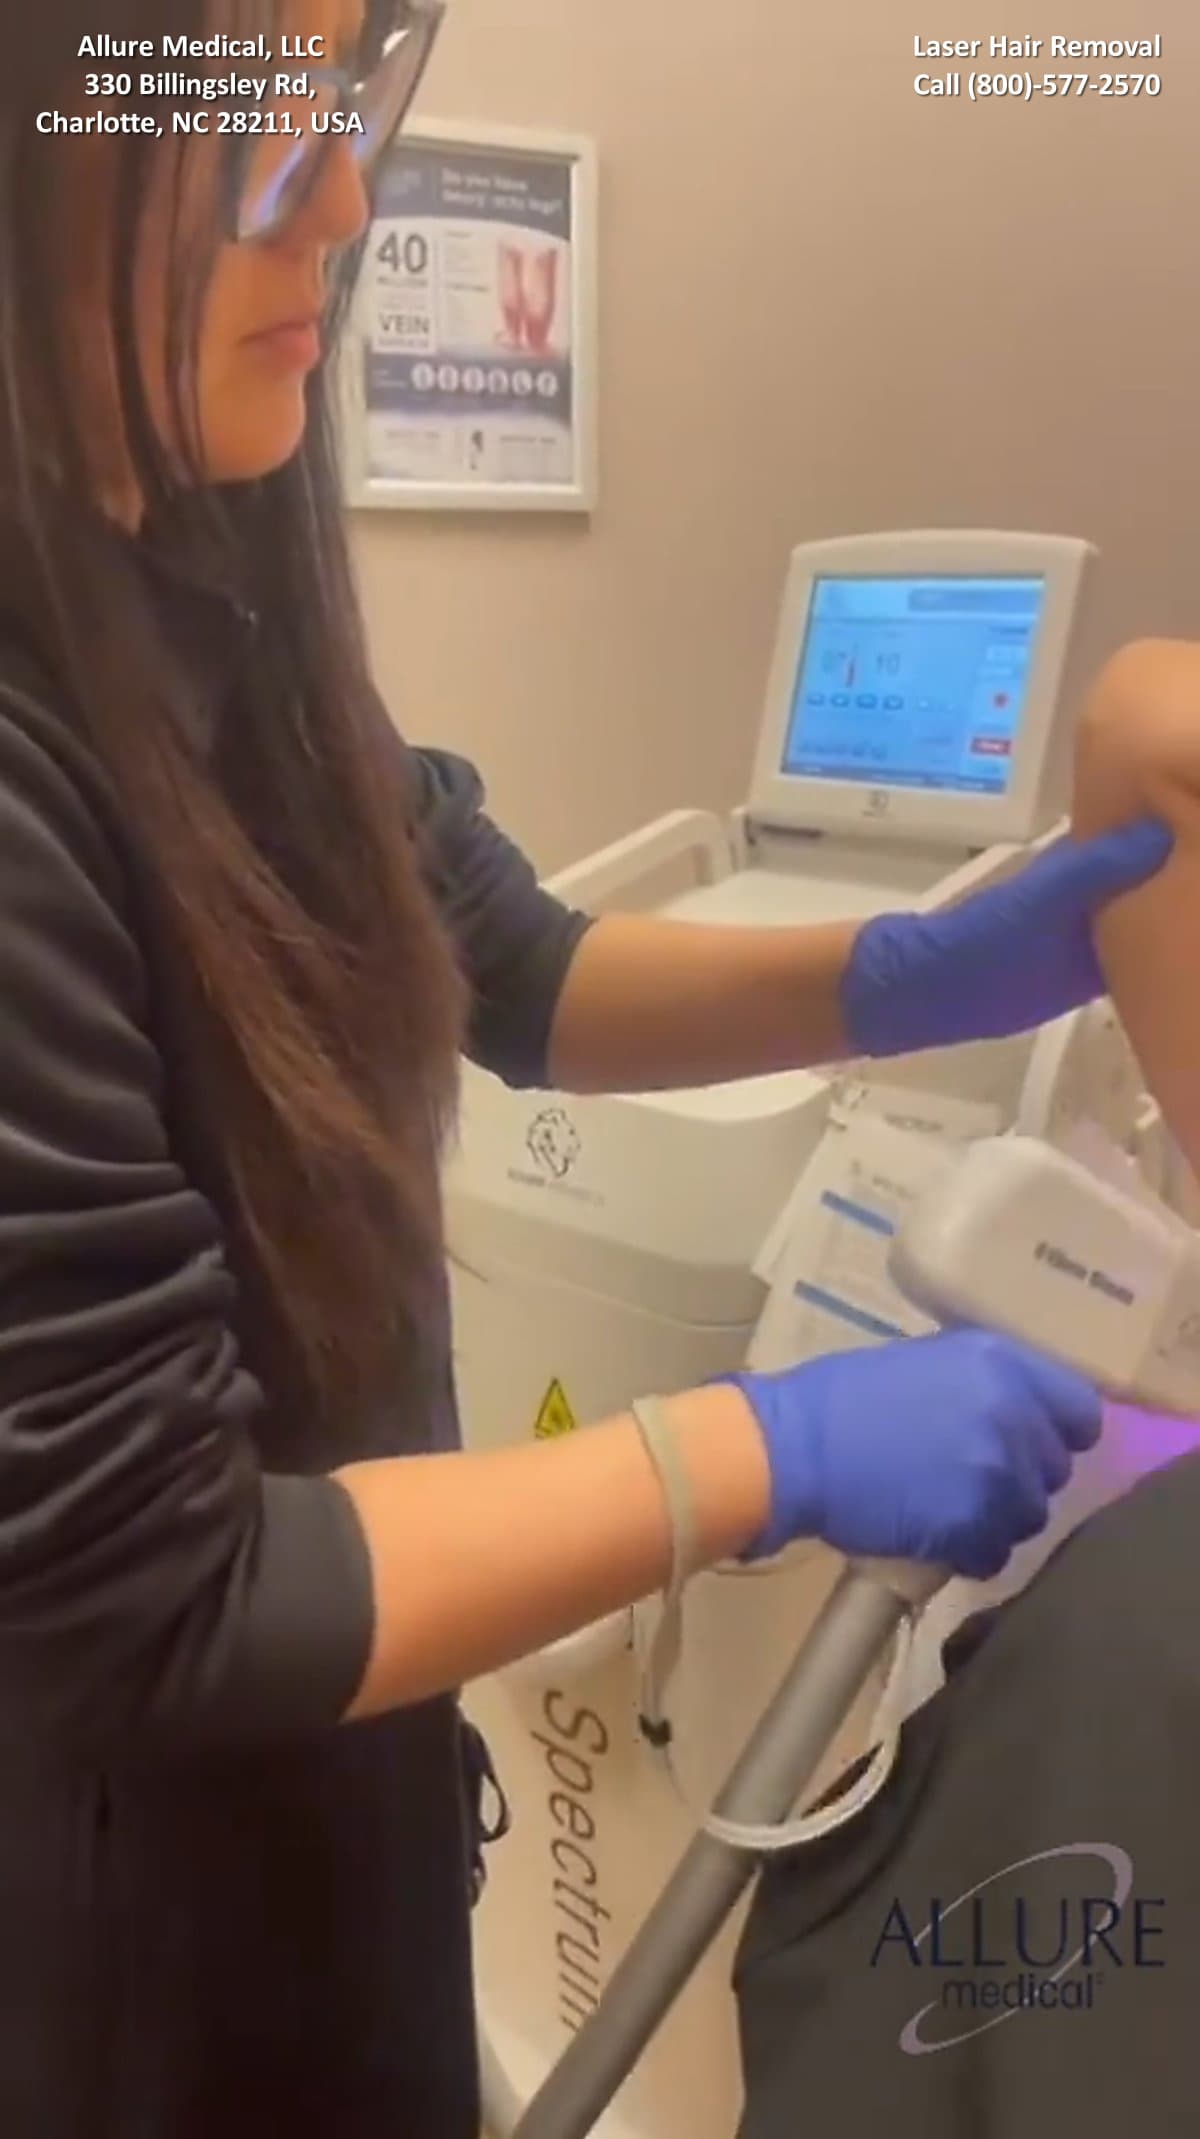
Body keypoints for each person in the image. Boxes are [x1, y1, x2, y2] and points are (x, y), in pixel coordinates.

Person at [0, 5, 1171, 2134]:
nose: (346, 205)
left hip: (340, 1828)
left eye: (346, 109)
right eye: (259, 138)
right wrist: (760, 1447)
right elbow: (159, 1589)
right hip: (137, 1942)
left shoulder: (199, 572)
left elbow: (506, 960)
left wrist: (912, 974)